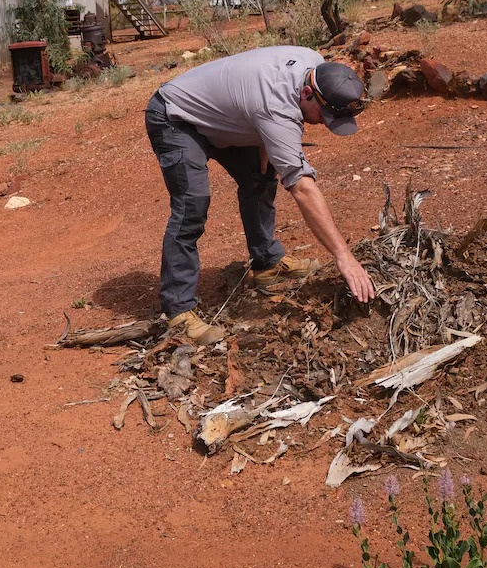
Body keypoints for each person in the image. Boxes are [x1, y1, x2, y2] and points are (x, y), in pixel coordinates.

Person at [145, 45, 376, 344]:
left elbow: (255, 98)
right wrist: (344, 256)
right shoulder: (277, 107)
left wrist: (265, 140)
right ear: (307, 94)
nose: (323, 123)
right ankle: (178, 310)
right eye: (325, 116)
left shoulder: (314, 62)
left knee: (262, 175)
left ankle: (266, 263)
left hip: (226, 116)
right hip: (176, 116)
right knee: (192, 205)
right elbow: (303, 188)